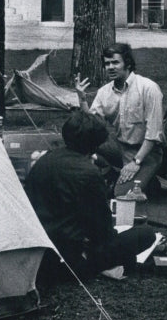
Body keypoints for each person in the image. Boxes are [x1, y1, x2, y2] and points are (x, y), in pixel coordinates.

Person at [25, 110, 158, 281]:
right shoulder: (88, 173)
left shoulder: (44, 160)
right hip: (71, 257)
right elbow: (101, 230)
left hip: (39, 250)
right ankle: (101, 266)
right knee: (145, 234)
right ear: (96, 144)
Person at [76, 42, 164, 197]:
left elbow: (154, 134)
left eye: (115, 62)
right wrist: (82, 100)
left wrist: (136, 162)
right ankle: (112, 172)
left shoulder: (149, 88)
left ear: (128, 63)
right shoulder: (104, 92)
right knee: (82, 140)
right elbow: (92, 125)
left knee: (121, 195)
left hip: (146, 153)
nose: (110, 67)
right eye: (107, 64)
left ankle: (148, 181)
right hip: (119, 148)